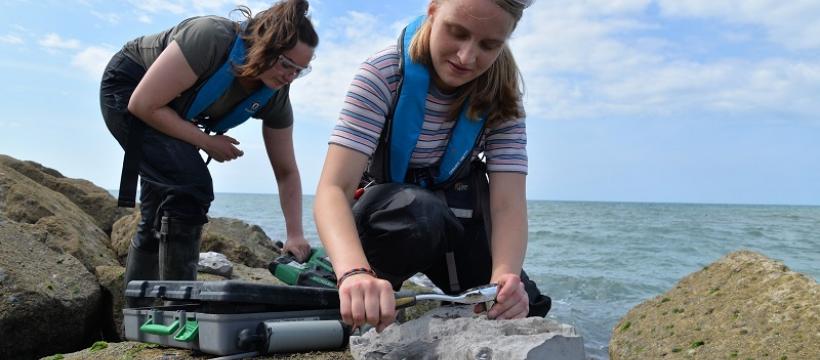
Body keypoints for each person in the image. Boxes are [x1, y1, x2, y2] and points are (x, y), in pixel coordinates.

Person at [314, 0, 549, 332]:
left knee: (527, 306)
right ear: (433, 9)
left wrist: (503, 281)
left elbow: (508, 204)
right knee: (420, 214)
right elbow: (332, 190)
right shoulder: (381, 74)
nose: (466, 57)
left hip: (453, 221)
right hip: (392, 220)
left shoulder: (503, 96)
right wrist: (354, 272)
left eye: (489, 45)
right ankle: (374, 292)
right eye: (457, 32)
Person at [100, 0, 318, 304]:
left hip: (169, 112)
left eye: (300, 70)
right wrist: (206, 141)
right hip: (129, 89)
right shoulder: (211, 37)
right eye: (286, 64)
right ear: (265, 46)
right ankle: (180, 309)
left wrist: (295, 234)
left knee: (157, 210)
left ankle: (138, 312)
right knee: (192, 186)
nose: (290, 77)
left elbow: (286, 171)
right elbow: (142, 105)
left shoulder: (275, 96)